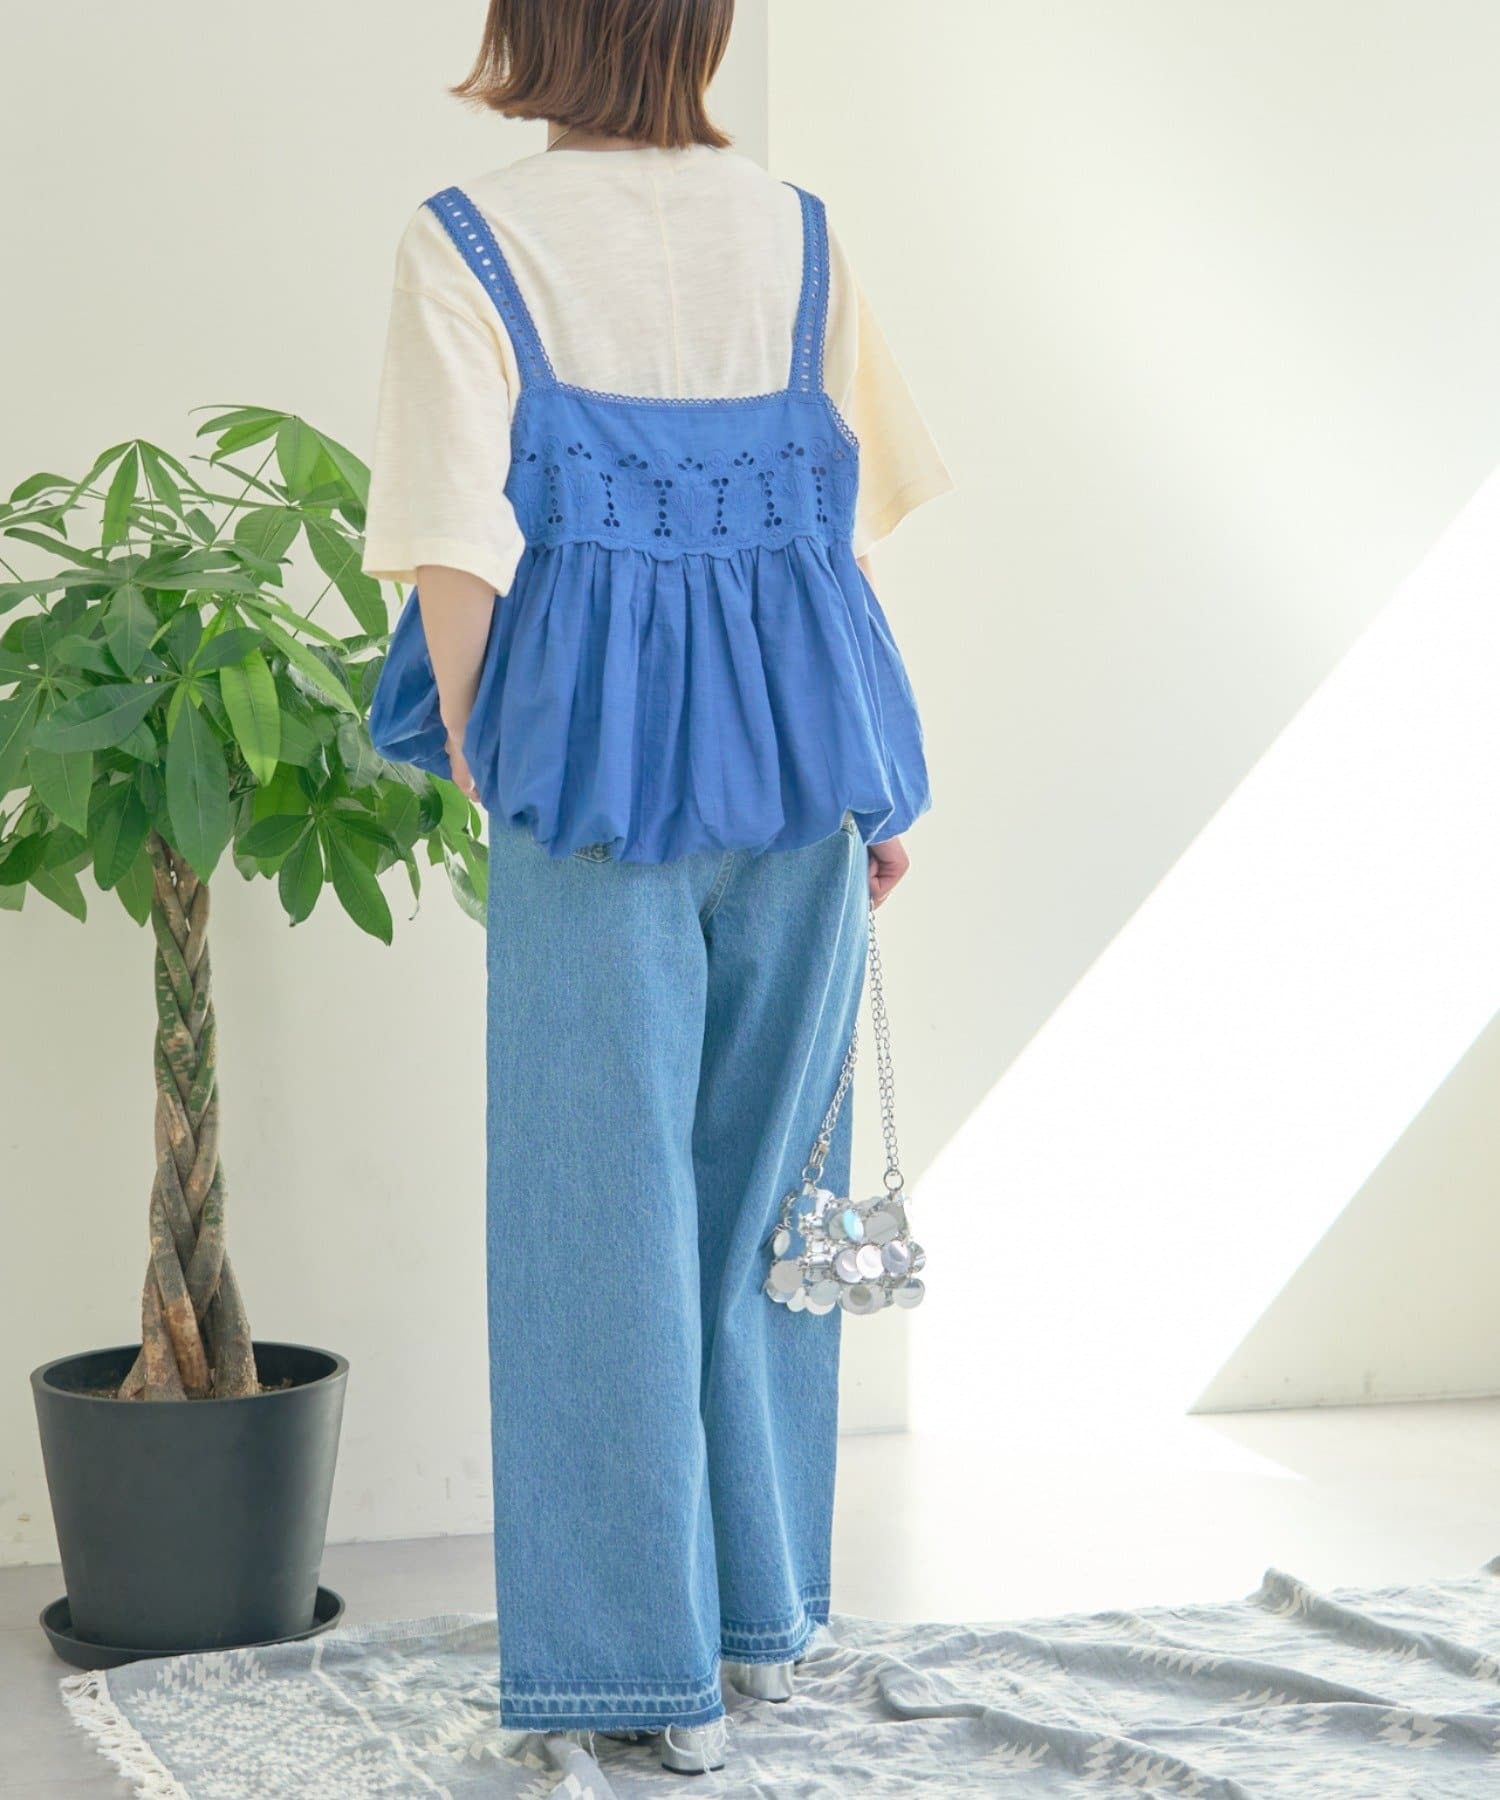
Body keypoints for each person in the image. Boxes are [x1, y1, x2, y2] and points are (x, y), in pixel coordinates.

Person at [362, 0, 950, 1775]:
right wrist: (878, 779)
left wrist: (487, 746)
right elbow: (842, 535)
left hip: (591, 788)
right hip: (804, 779)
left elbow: (452, 540)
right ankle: (759, 1627)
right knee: (768, 1209)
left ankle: (644, 1677)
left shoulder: (471, 240)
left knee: (589, 1221)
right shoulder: (802, 233)